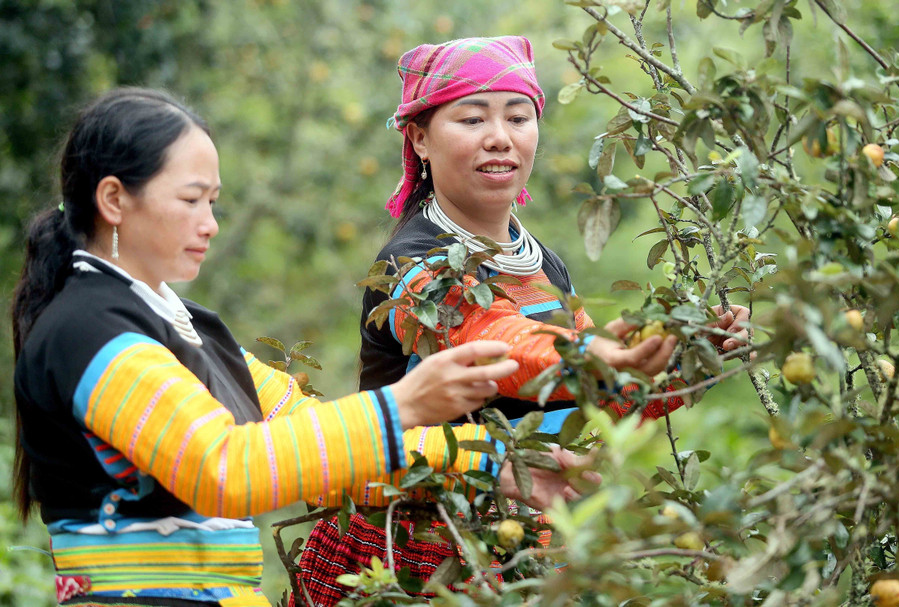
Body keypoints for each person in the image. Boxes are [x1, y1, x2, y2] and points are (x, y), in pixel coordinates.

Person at [10, 88, 590, 607]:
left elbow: (320, 442)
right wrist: (403, 405)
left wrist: (493, 465)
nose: (210, 223)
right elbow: (224, 469)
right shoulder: (88, 330)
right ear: (114, 200)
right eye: (191, 201)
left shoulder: (185, 325)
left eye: (213, 202)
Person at [293, 36, 751, 605]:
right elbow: (497, 343)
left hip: (521, 541)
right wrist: (598, 353)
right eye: (471, 118)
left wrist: (690, 357)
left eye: (518, 117)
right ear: (419, 138)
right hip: (412, 546)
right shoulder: (411, 265)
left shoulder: (541, 262)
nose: (500, 138)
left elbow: (588, 399)